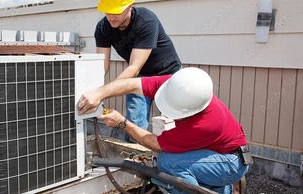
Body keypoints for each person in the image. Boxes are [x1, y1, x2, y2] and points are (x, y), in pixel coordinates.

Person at [77, 67, 251, 194]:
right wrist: (99, 93)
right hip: (216, 152)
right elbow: (130, 84)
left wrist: (122, 123)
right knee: (170, 167)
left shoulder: (204, 124)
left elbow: (155, 144)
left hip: (231, 163)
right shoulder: (177, 86)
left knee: (168, 163)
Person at [94, 0, 181, 142]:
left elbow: (134, 67)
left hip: (168, 74)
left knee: (171, 124)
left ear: (130, 7)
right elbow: (102, 64)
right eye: (108, 11)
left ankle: (170, 160)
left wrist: (105, 92)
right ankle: (135, 160)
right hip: (141, 77)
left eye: (116, 12)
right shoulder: (103, 27)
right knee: (134, 123)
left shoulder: (146, 20)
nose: (111, 17)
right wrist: (95, 90)